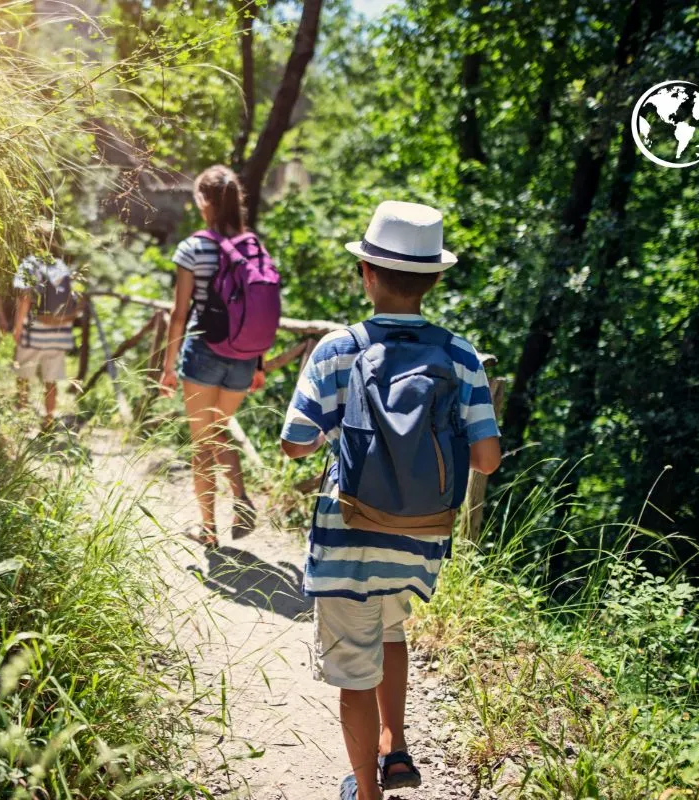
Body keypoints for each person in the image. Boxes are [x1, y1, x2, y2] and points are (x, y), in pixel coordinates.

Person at [278, 201, 501, 800]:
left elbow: (296, 444)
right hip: (420, 536)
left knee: (354, 668)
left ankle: (367, 793)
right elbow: (487, 460)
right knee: (391, 631)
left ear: (367, 274)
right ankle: (394, 747)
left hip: (350, 535)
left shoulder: (336, 348)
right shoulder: (461, 356)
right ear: (434, 279)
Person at [160, 165, 269, 547]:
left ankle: (207, 530)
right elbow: (260, 308)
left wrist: (168, 367)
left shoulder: (193, 247)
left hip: (204, 352)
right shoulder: (253, 246)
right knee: (220, 430)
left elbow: (179, 314)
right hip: (242, 358)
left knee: (201, 442)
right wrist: (258, 363)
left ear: (204, 202)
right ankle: (240, 501)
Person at [12, 242, 79, 429]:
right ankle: (49, 419)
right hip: (58, 334)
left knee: (23, 375)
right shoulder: (60, 265)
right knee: (51, 380)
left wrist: (18, 328)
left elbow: (25, 298)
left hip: (34, 333)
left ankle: (22, 418)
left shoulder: (29, 264)